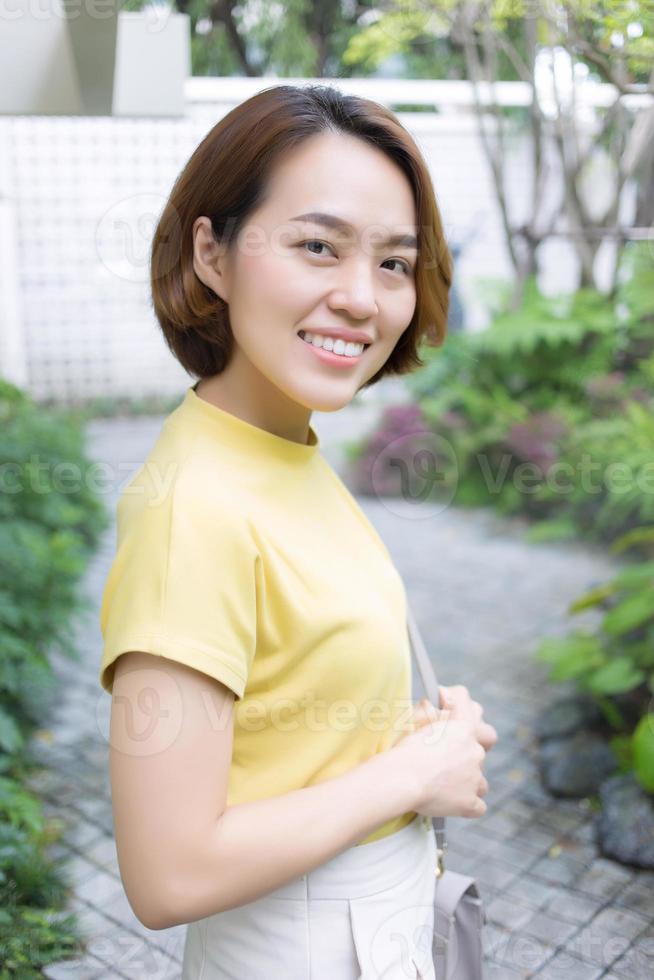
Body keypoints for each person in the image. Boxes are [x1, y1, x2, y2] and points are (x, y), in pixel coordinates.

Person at [98, 83, 498, 980]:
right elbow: (167, 872)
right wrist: (409, 778)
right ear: (213, 253)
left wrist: (413, 735)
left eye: (394, 263)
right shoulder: (191, 506)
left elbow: (281, 719)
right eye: (318, 246)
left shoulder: (283, 446)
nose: (363, 298)